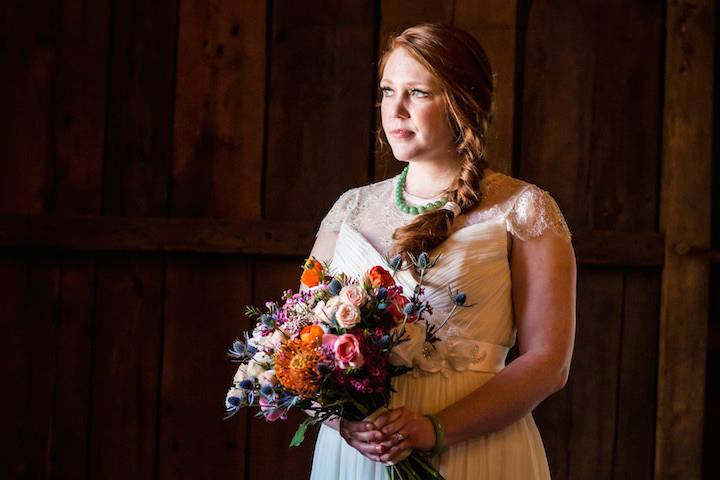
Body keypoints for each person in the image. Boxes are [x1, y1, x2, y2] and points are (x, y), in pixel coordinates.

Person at [306, 23, 576, 479]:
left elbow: (548, 362)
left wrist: (436, 429)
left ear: (461, 101)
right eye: (388, 91)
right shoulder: (350, 209)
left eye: (418, 93)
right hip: (358, 454)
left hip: (475, 449)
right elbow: (303, 345)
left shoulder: (524, 209)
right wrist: (343, 421)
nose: (396, 110)